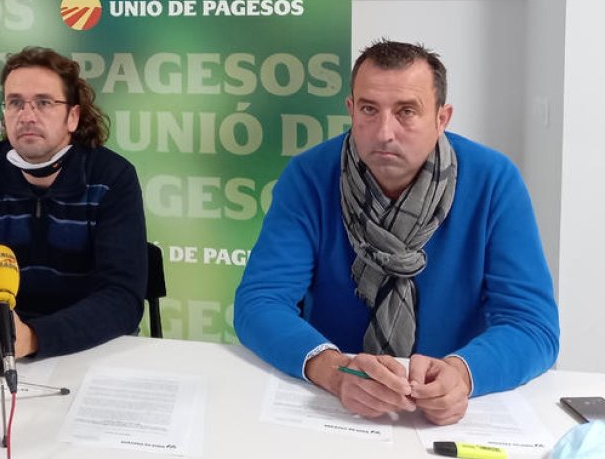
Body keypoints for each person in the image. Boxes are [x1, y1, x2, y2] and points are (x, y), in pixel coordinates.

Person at [234, 40, 558, 425]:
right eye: (369, 109)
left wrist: (464, 374)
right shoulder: (309, 176)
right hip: (335, 409)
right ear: (351, 110)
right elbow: (260, 302)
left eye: (406, 111)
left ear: (442, 118)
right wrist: (335, 371)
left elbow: (532, 324)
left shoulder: (493, 181)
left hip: (446, 413)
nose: (384, 132)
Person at [0, 46, 147, 372]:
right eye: (15, 103)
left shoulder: (112, 177)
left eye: (44, 103)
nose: (27, 115)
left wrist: (31, 338)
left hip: (90, 351)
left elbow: (122, 298)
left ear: (72, 116)